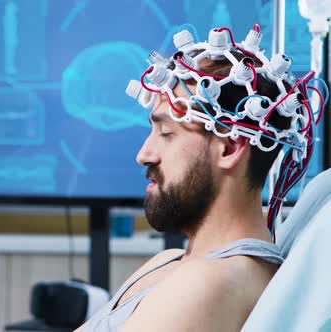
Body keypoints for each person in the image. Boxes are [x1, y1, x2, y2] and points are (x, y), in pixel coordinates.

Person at [77, 25, 326, 332]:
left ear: (230, 147)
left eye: (167, 133)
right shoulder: (170, 261)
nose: (144, 154)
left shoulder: (208, 284)